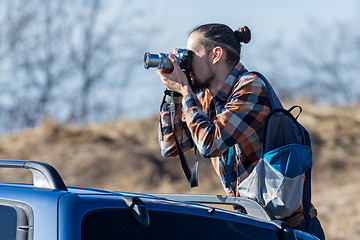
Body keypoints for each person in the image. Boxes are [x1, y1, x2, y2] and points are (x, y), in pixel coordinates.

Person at [156, 23, 325, 239]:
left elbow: (210, 144)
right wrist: (174, 94)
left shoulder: (251, 87)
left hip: (291, 229)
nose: (185, 64)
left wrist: (185, 90)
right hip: (256, 225)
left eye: (190, 55)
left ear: (216, 54)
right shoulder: (209, 99)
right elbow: (171, 147)